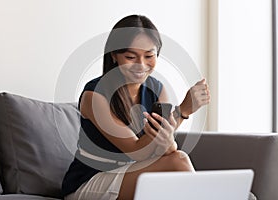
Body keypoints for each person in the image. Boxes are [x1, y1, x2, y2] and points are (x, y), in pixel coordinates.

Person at [62, 14, 210, 200]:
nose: (141, 65)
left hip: (133, 172)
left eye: (149, 56)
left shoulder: (157, 89)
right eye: (131, 56)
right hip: (90, 182)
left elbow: (162, 146)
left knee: (176, 161)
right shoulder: (95, 95)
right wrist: (182, 111)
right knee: (178, 161)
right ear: (114, 55)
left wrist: (178, 122)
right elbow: (138, 150)